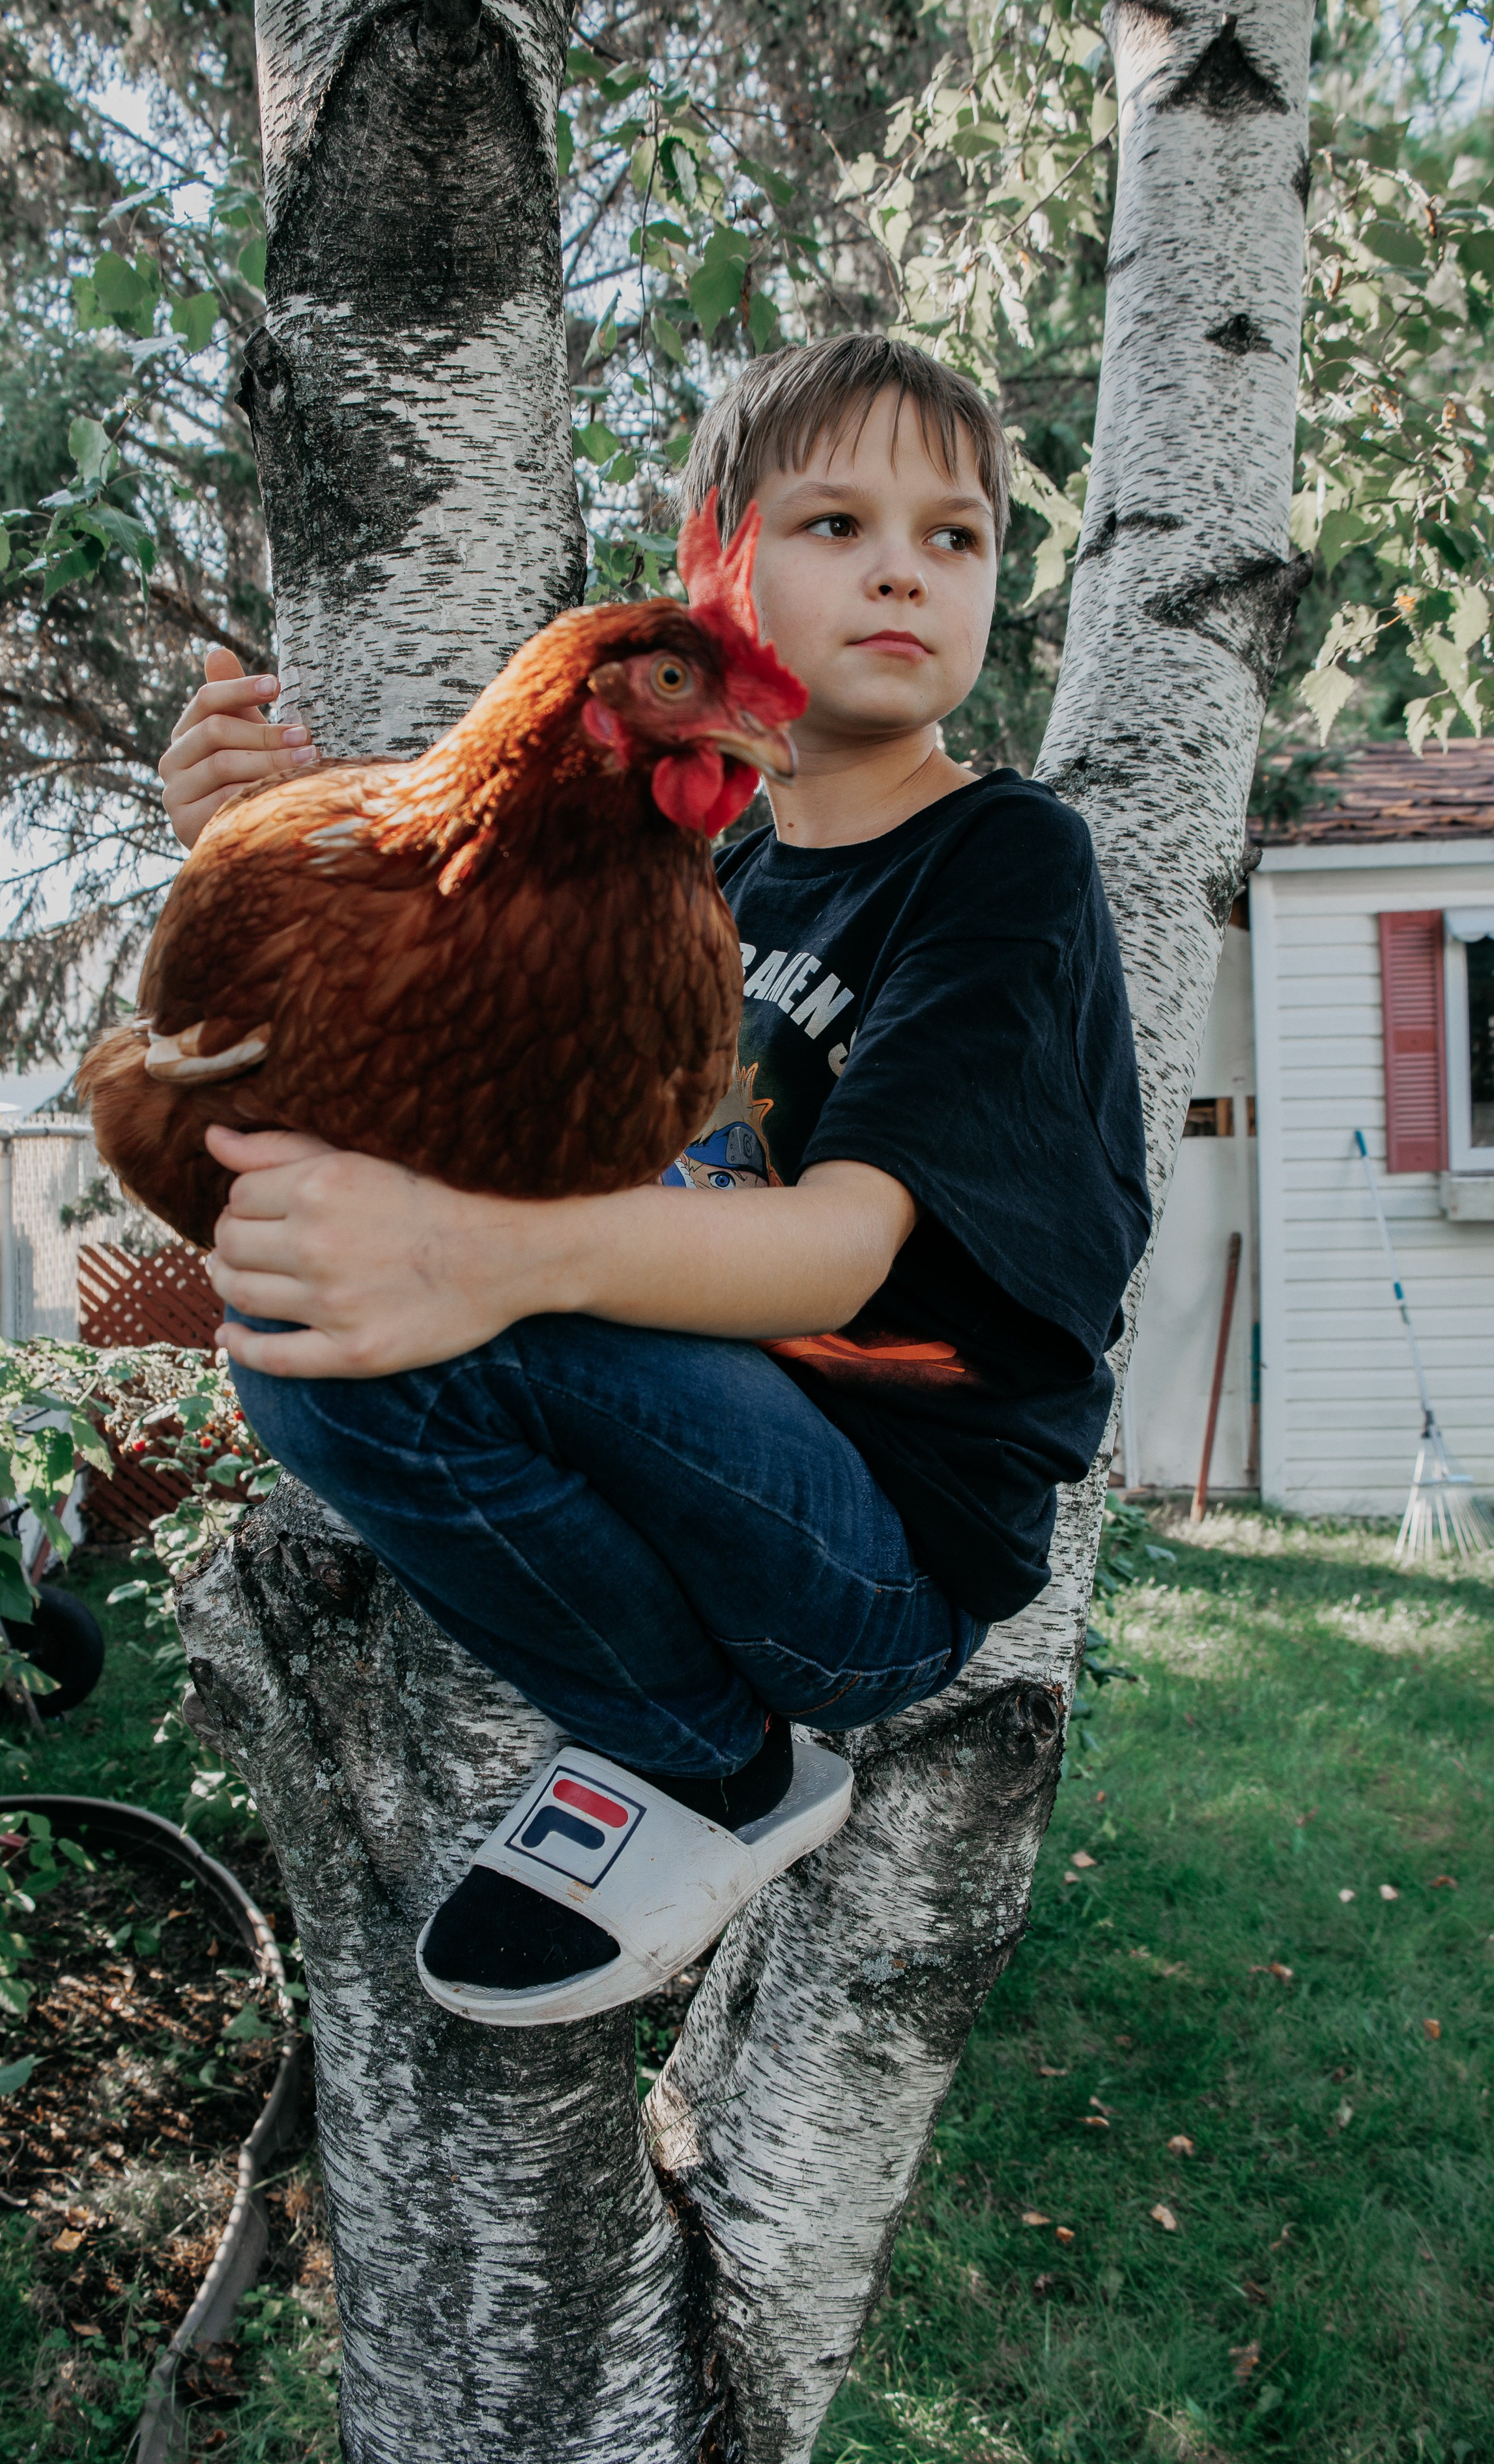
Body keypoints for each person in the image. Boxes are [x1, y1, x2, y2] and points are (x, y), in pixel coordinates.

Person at [156, 334, 1151, 2027]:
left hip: (882, 1553)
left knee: (417, 1300)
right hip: (699, 1440)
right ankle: (669, 1716)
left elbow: (840, 1251)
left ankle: (714, 1765)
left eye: (956, 535)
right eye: (836, 524)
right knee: (304, 1304)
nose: (905, 564)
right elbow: (452, 1033)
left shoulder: (1005, 865)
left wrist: (494, 1257)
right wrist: (256, 836)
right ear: (721, 569)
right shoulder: (706, 861)